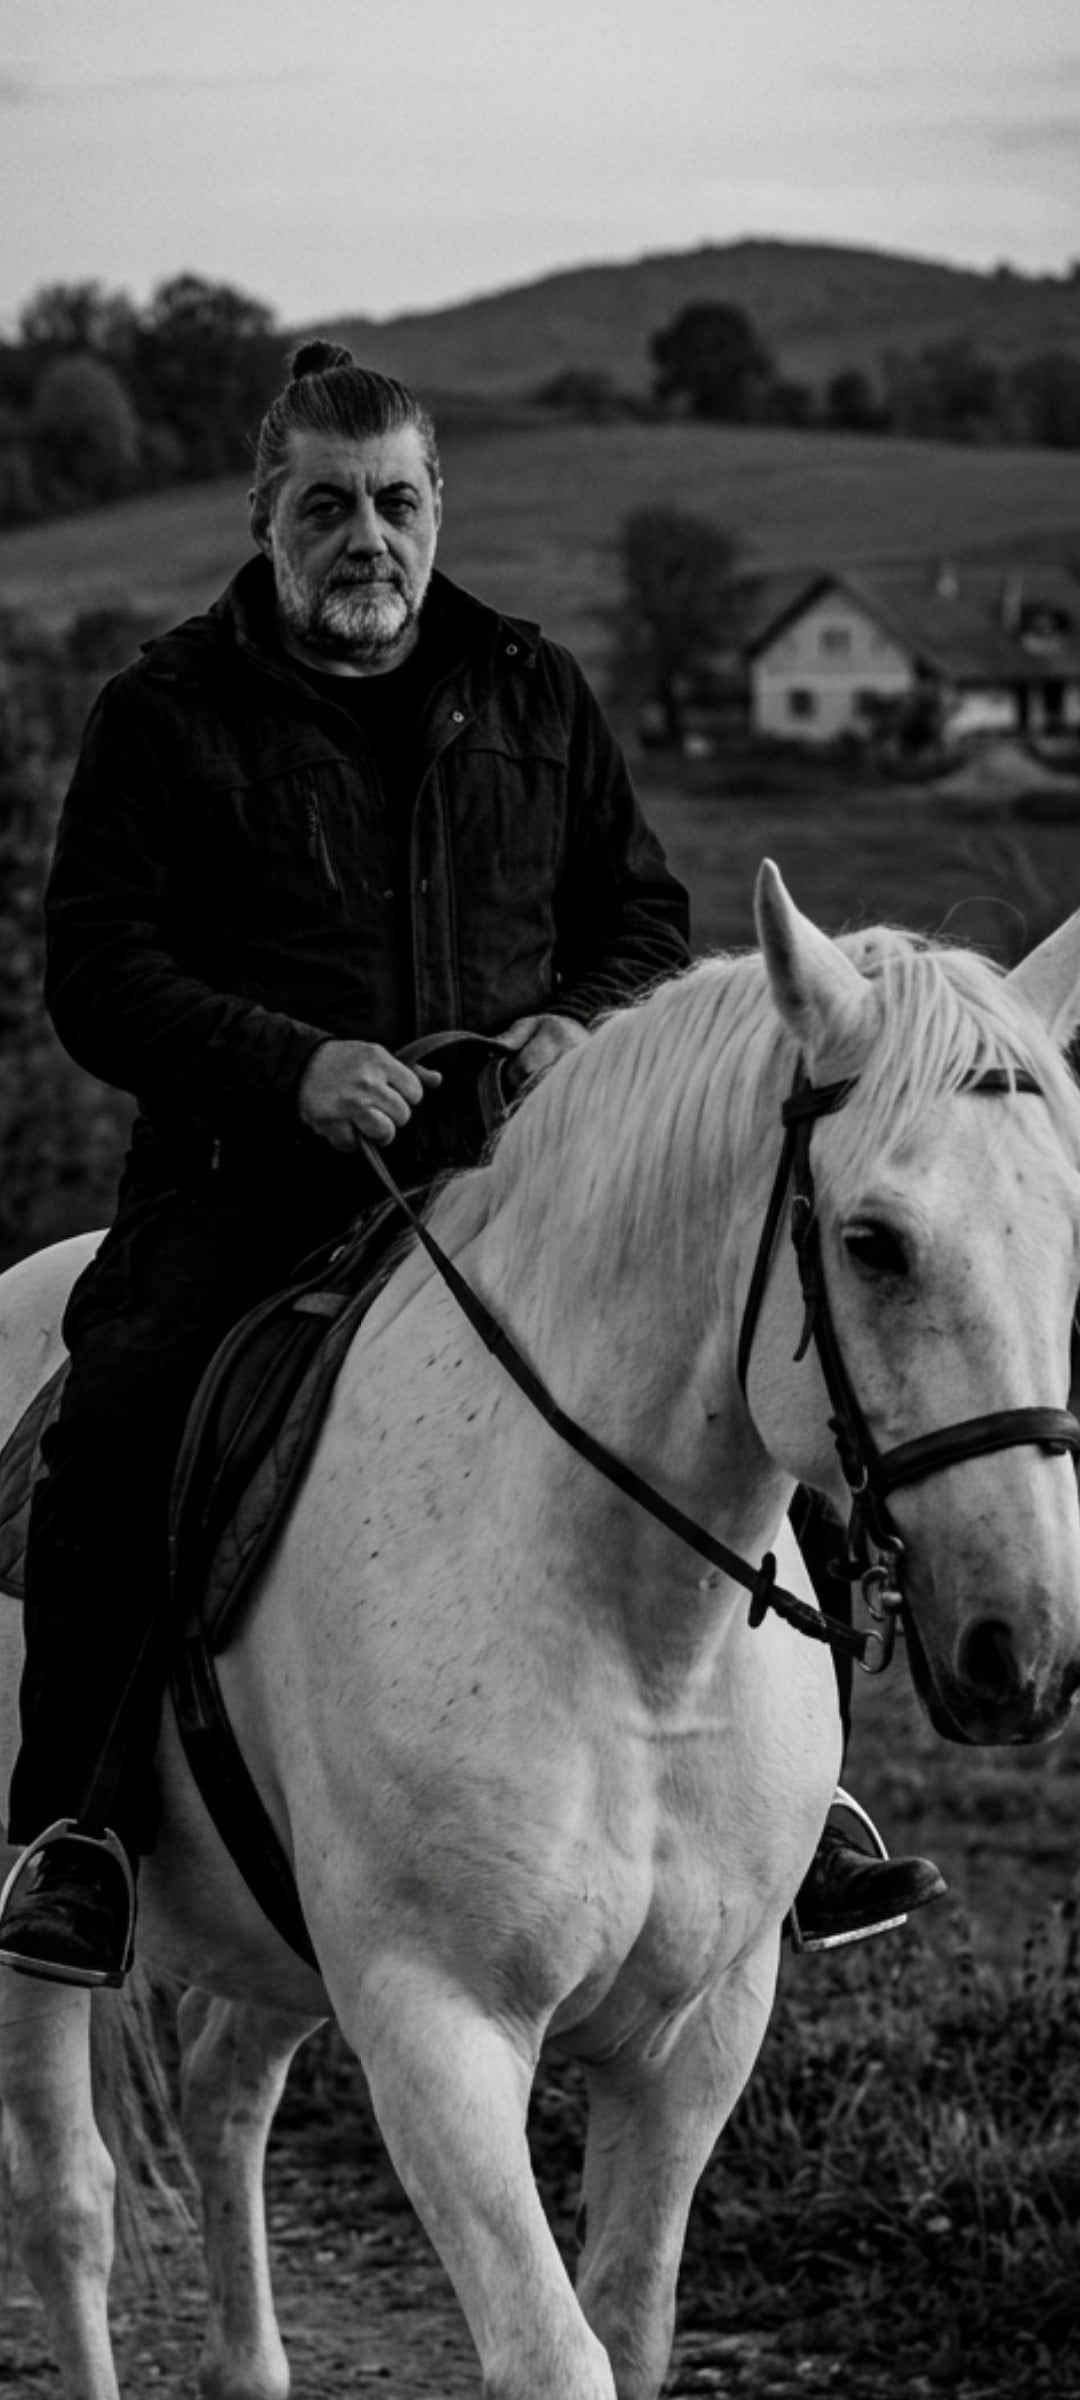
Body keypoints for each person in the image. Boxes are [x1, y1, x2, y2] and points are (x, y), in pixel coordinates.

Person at [0, 343, 943, 1987]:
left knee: (759, 1376)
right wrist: (289, 1067)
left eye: (395, 501)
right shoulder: (163, 709)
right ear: (264, 517)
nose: (365, 538)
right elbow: (95, 968)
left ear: (439, 506)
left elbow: (639, 917)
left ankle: (804, 1808)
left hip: (520, 1179)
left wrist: (578, 1025)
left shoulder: (531, 687)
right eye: (326, 507)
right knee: (126, 1414)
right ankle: (74, 1834)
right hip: (248, 1186)